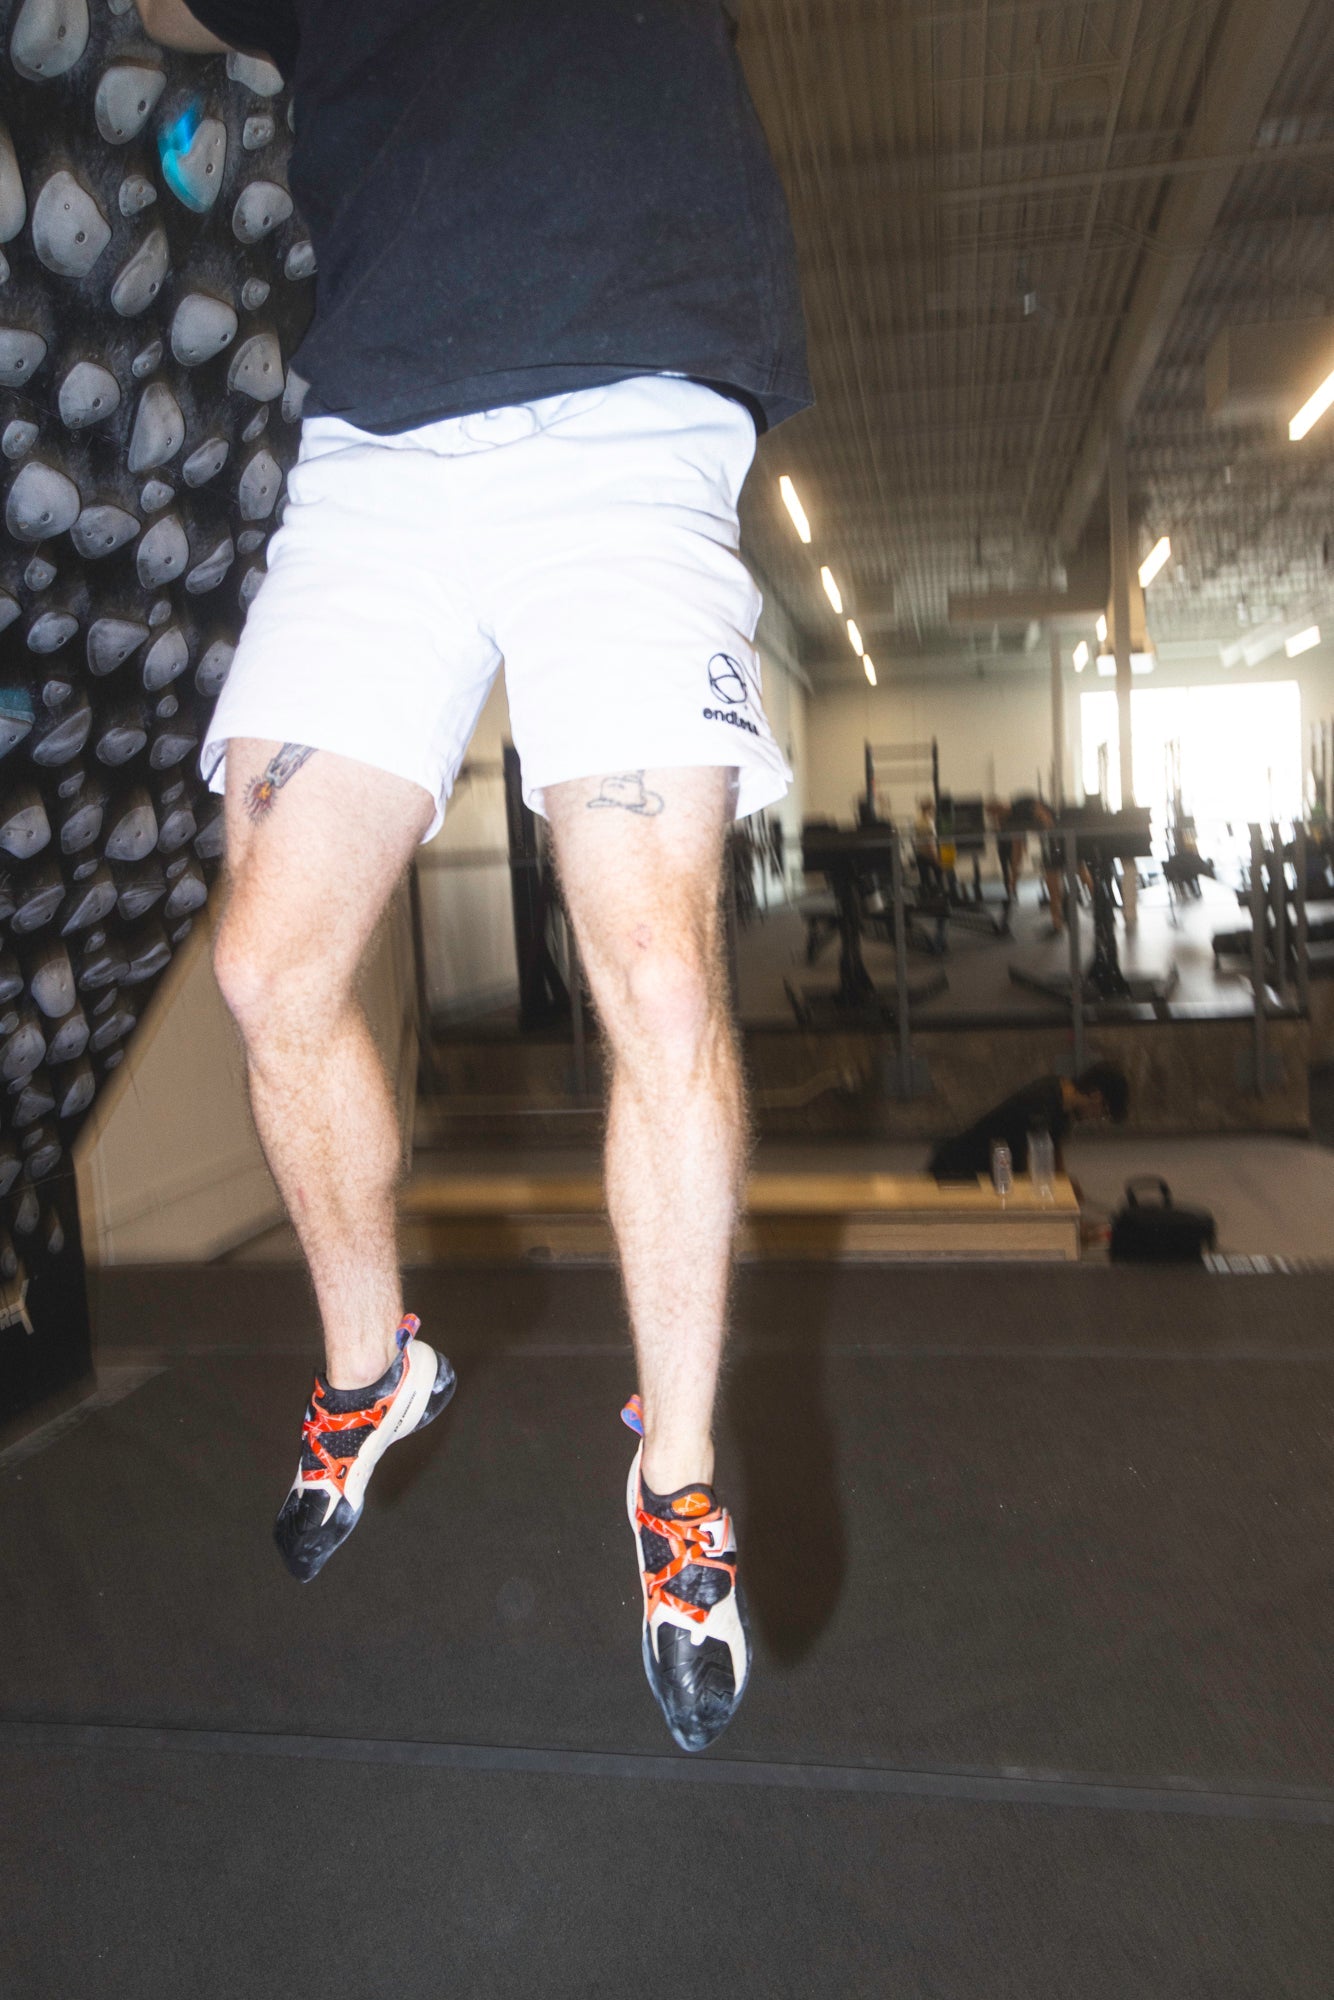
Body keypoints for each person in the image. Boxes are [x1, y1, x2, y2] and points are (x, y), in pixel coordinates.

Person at [135, 0, 811, 1755]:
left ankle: (675, 1494)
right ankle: (375, 1369)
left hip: (627, 389)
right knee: (268, 972)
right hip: (376, 444)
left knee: (655, 972)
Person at [927, 1062, 1130, 1183]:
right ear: (1095, 1095)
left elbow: (1054, 1154)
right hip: (958, 1171)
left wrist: (1066, 1189)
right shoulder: (1041, 1103)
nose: (1096, 1118)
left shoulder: (1063, 1105)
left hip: (985, 1174)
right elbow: (1033, 1168)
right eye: (1103, 1112)